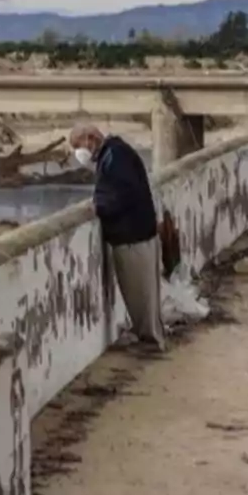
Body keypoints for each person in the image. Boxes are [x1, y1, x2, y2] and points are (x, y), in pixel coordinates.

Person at [69, 124, 166, 352]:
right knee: (145, 295)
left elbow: (120, 195)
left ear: (91, 139)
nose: (78, 153)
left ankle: (150, 342)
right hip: (138, 232)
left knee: (140, 294)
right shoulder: (115, 153)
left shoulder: (114, 157)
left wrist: (98, 207)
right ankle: (150, 338)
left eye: (77, 146)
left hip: (133, 236)